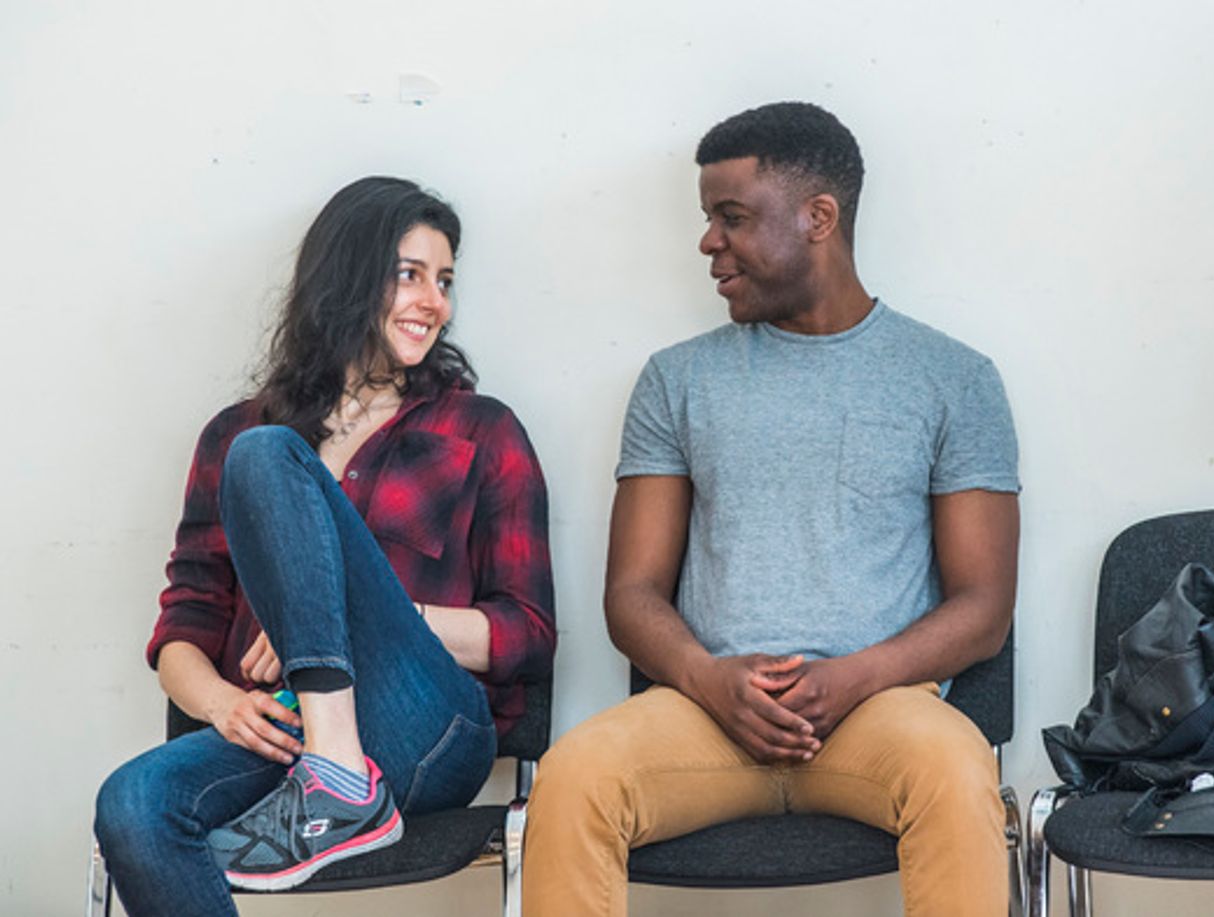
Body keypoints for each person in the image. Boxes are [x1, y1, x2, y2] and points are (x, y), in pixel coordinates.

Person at [522, 102, 1020, 917]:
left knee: (958, 772)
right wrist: (709, 680)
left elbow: (983, 609)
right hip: (703, 712)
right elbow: (632, 594)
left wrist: (852, 676)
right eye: (709, 219)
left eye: (732, 217)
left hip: (879, 709)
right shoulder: (677, 381)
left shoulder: (953, 378)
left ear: (819, 217)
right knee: (574, 779)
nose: (708, 242)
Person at [94, 176, 555, 916]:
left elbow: (527, 636)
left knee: (267, 455)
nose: (434, 302)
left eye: (444, 281)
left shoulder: (481, 431)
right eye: (409, 274)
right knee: (133, 801)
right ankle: (329, 774)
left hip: (423, 730)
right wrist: (220, 703)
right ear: (347, 276)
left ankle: (340, 777)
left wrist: (343, 614)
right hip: (278, 729)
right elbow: (185, 625)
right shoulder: (233, 436)